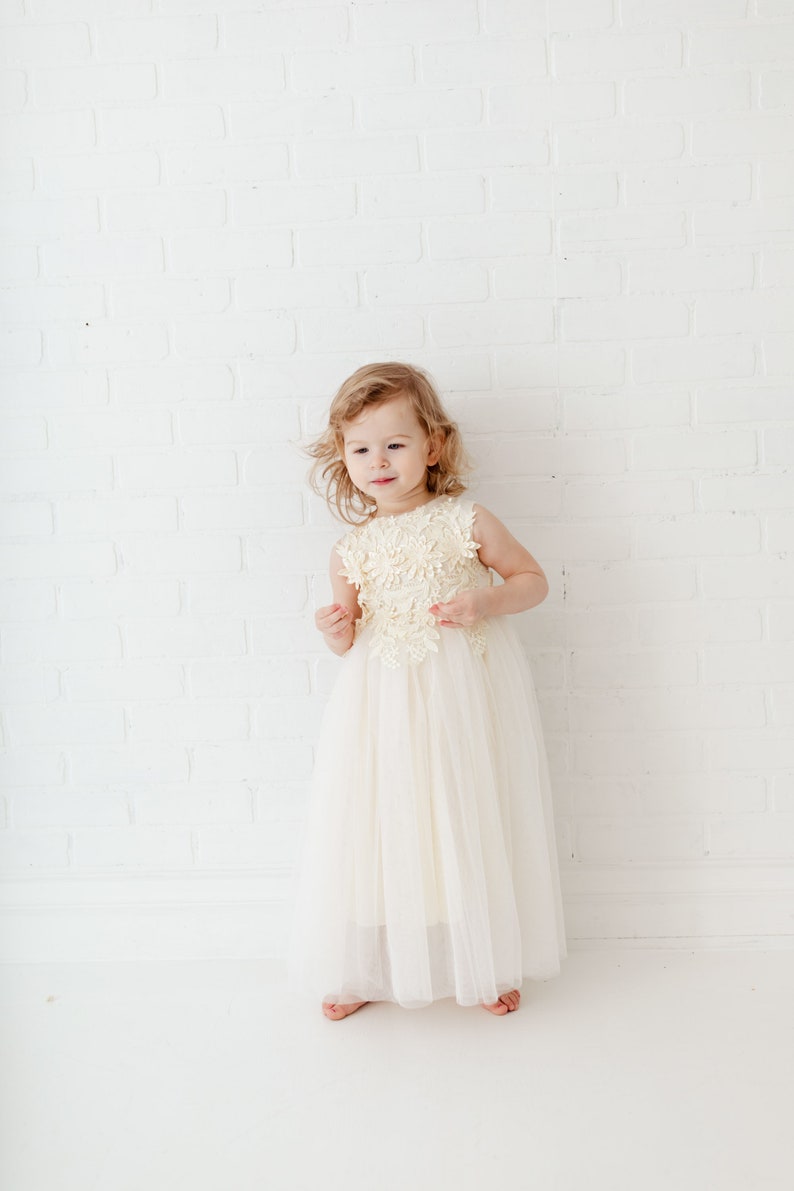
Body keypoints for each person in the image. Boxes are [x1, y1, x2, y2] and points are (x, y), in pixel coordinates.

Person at [288, 362, 566, 1019]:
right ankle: (366, 965)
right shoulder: (350, 550)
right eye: (361, 448)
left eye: (395, 443)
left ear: (433, 445)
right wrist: (334, 628)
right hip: (381, 706)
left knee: (459, 813)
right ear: (343, 458)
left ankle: (484, 958)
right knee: (379, 822)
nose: (377, 460)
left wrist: (484, 601)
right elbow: (348, 634)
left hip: (458, 699)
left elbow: (533, 579)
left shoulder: (465, 520)